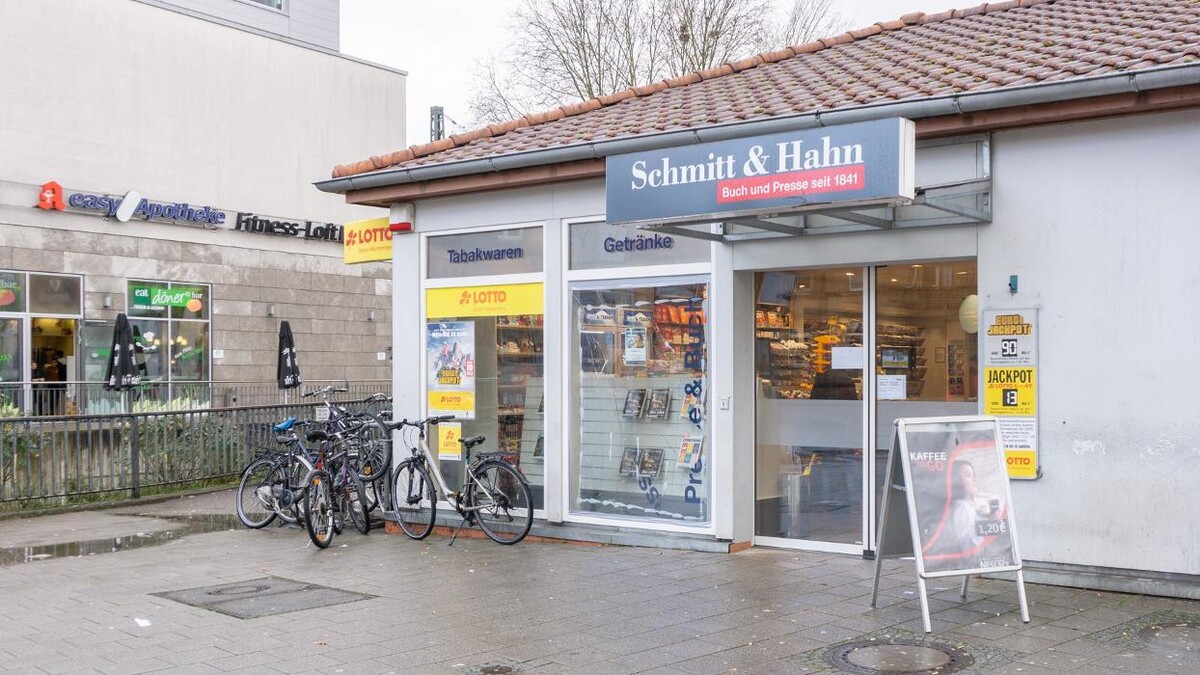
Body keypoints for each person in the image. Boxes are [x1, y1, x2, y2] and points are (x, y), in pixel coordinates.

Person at [946, 459, 984, 558]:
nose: (974, 480)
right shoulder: (962, 508)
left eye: (973, 475)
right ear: (956, 480)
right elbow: (970, 549)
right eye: (968, 475)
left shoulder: (960, 506)